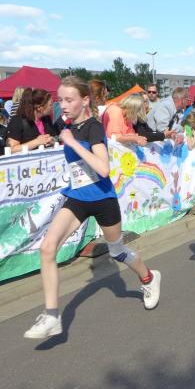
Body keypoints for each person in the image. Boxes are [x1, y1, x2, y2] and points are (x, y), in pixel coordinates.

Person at [24, 76, 162, 339]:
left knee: (117, 251)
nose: (63, 105)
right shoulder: (64, 125)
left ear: (85, 100)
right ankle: (52, 316)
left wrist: (73, 143)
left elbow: (103, 168)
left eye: (69, 100)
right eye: (60, 100)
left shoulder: (93, 128)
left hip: (102, 199)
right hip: (78, 197)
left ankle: (149, 277)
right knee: (47, 248)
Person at [5, 88, 58, 153]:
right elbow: (11, 149)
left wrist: (52, 141)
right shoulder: (17, 121)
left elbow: (53, 137)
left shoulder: (46, 119)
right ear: (39, 107)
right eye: (50, 105)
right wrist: (36, 142)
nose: (53, 107)